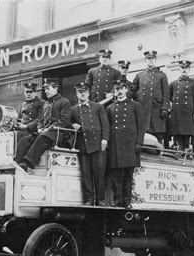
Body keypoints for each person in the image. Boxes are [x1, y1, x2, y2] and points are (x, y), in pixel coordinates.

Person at [14, 78, 72, 173]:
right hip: (46, 133)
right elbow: (40, 119)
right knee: (26, 139)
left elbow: (64, 121)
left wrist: (48, 129)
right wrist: (40, 128)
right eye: (45, 89)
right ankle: (16, 163)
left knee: (43, 138)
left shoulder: (64, 102)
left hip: (58, 133)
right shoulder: (46, 104)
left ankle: (27, 163)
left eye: (47, 89)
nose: (45, 91)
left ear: (55, 88)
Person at [106, 79, 145, 208]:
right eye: (117, 89)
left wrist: (139, 143)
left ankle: (127, 201)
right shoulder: (110, 108)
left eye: (122, 88)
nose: (119, 91)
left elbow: (141, 126)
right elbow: (108, 127)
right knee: (116, 175)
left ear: (126, 89)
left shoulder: (135, 106)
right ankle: (118, 200)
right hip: (116, 146)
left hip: (130, 145)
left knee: (128, 175)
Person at [71, 82, 110, 206]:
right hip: (83, 145)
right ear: (77, 93)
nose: (82, 94)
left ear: (88, 93)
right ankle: (89, 199)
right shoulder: (73, 109)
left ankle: (100, 199)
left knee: (99, 173)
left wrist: (105, 139)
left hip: (98, 144)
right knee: (86, 175)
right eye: (80, 92)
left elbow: (105, 124)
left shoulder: (97, 107)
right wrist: (72, 125)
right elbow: (68, 123)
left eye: (84, 91)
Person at [130, 50, 170, 146]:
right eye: (148, 59)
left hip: (157, 109)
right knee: (144, 132)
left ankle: (159, 151)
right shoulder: (140, 75)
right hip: (143, 108)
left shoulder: (162, 75)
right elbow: (132, 91)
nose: (150, 61)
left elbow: (166, 92)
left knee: (157, 132)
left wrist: (165, 108)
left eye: (152, 59)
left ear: (155, 60)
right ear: (145, 60)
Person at [167, 60, 194, 151]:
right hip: (177, 113)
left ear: (189, 69)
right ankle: (178, 152)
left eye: (186, 68)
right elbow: (168, 97)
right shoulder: (173, 83)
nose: (184, 70)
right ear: (179, 69)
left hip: (187, 113)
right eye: (182, 68)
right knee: (176, 136)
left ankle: (185, 153)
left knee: (186, 137)